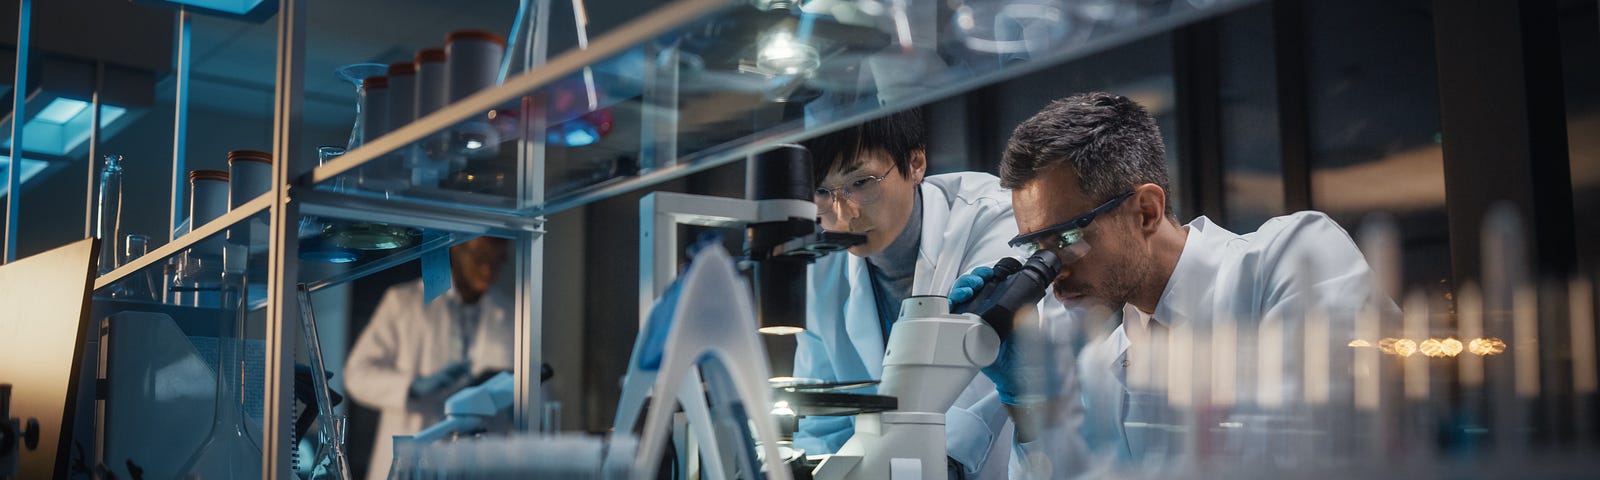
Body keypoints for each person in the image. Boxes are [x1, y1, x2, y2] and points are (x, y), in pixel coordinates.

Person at [973, 92, 1400, 477]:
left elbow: (1323, 447)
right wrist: (1029, 406)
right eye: (1036, 248)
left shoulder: (1292, 256)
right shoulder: (1105, 362)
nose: (1054, 274)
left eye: (1067, 239)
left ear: (1145, 211)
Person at [793, 108, 1049, 478]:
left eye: (860, 182)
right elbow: (820, 421)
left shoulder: (992, 219)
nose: (843, 214)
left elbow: (973, 398)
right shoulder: (822, 266)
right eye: (821, 191)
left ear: (915, 163)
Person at [345, 236, 515, 480]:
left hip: (480, 460)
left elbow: (536, 397)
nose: (488, 269)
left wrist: (508, 396)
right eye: (480, 258)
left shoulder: (511, 313)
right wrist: (412, 386)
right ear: (456, 248)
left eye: (498, 261)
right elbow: (356, 373)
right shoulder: (403, 302)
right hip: (415, 454)